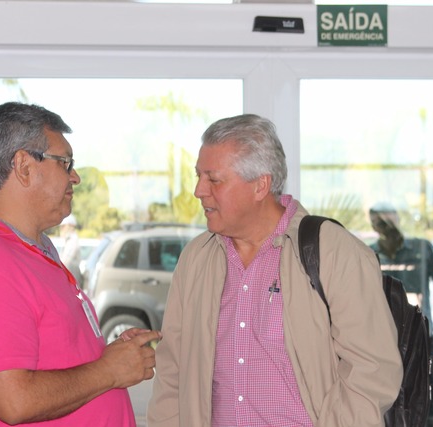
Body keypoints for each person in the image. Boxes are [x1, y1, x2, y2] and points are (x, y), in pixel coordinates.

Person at [147, 114, 403, 427]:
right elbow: (173, 371)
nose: (199, 191)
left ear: (260, 185)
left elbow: (372, 372)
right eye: (199, 176)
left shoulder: (335, 253)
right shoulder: (196, 260)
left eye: (214, 179)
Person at [0, 101, 161, 427]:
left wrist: (108, 357)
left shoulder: (30, 248)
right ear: (24, 167)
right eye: (65, 163)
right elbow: (14, 401)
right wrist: (109, 370)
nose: (76, 177)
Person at [369, 202, 433, 427]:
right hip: (381, 338)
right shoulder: (370, 253)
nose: (384, 224)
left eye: (388, 218)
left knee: (424, 396)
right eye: (379, 220)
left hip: (420, 334)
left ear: (397, 218)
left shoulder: (422, 248)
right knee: (385, 398)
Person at [59, 214, 82, 286]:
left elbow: (66, 261)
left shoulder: (73, 241)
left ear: (71, 226)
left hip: (71, 279)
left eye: (64, 226)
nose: (62, 229)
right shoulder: (69, 240)